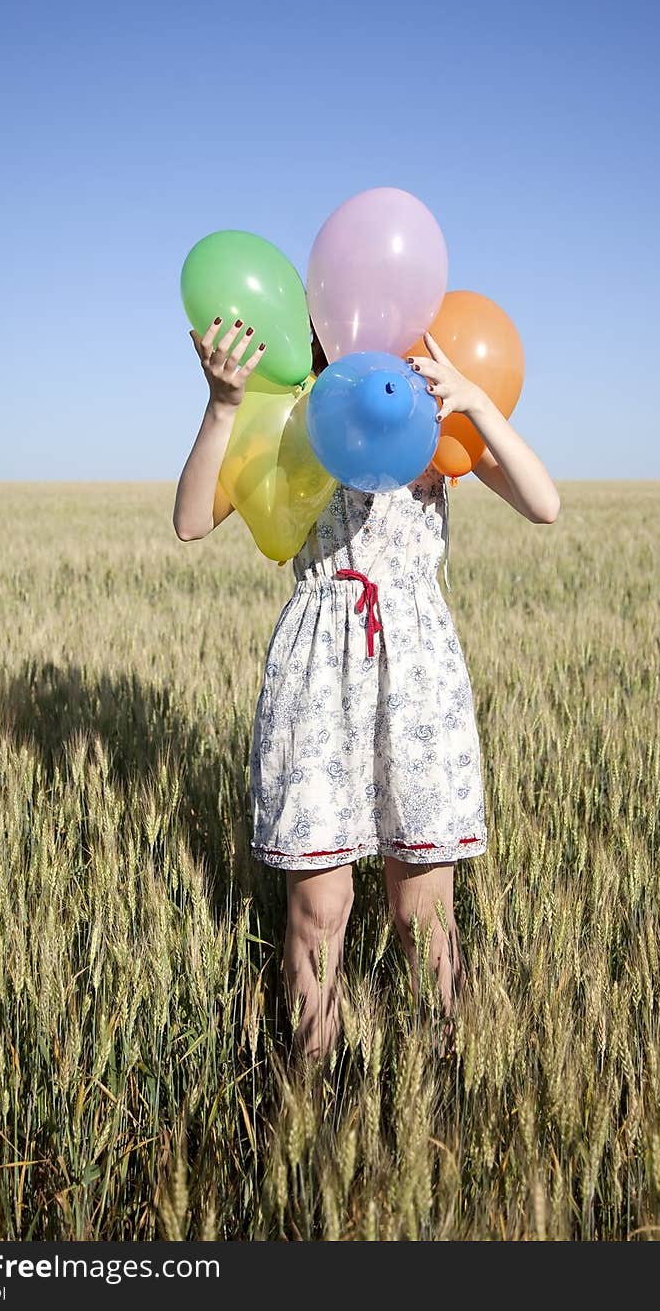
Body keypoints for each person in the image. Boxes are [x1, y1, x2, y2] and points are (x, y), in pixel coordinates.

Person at [173, 315, 561, 1063]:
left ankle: (448, 1096)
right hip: (319, 669)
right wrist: (223, 404)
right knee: (319, 909)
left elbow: (543, 502)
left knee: (424, 912)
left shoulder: (421, 412)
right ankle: (314, 1106)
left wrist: (476, 402)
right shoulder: (292, 417)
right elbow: (192, 520)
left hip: (416, 673)